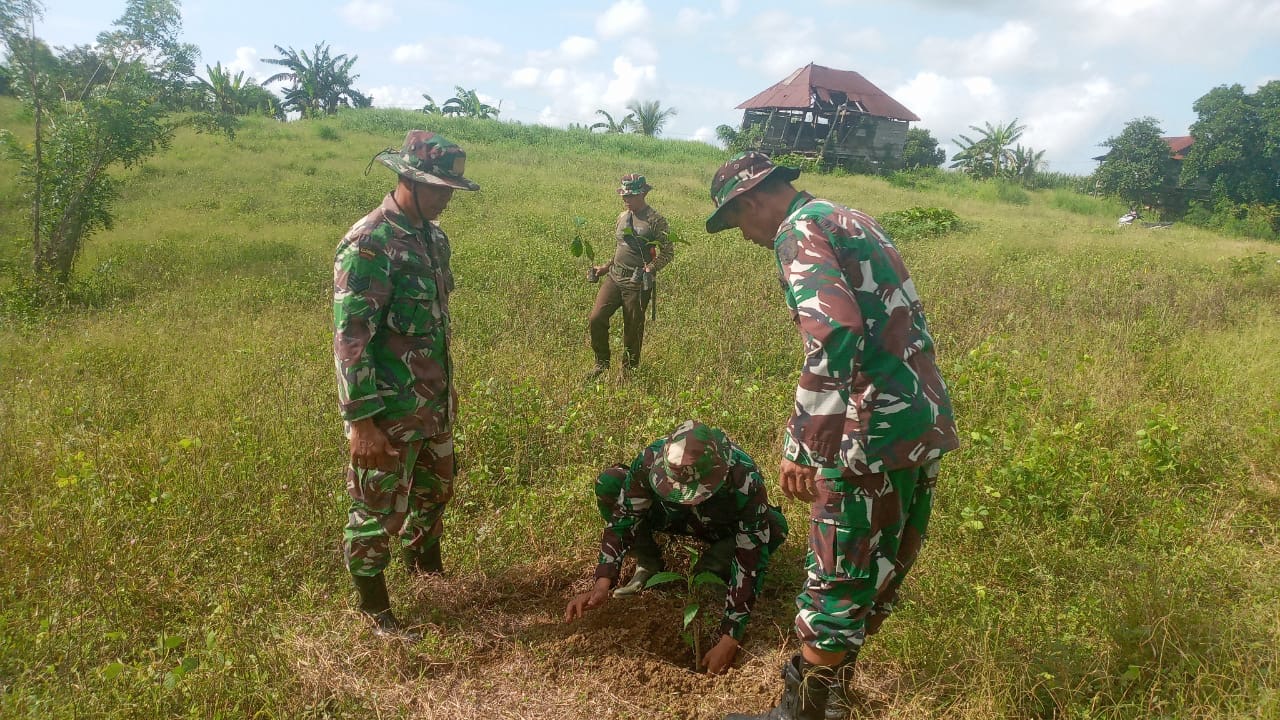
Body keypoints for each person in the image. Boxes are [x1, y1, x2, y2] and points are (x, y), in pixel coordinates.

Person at [704, 152, 959, 720]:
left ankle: (805, 714)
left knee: (837, 577)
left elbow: (836, 330)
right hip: (916, 423)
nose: (744, 236)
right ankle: (832, 701)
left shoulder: (797, 232)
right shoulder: (851, 218)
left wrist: (805, 441)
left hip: (866, 434)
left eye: (736, 222)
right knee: (878, 566)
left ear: (750, 201)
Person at [332, 130, 479, 638]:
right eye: (438, 188)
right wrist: (362, 423)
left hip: (431, 400)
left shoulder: (434, 239)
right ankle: (375, 610)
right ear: (407, 179)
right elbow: (352, 340)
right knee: (376, 508)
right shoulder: (369, 244)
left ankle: (426, 569)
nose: (446, 198)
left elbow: (435, 322)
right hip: (388, 410)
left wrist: (446, 386)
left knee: (437, 489)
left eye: (451, 189)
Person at [564, 420, 789, 674]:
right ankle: (649, 563)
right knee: (611, 482)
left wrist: (730, 638)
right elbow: (624, 518)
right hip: (670, 517)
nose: (686, 495)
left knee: (773, 525)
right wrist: (602, 582)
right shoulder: (650, 460)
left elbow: (751, 555)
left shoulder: (744, 476)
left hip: (720, 526)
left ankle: (710, 570)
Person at [586, 173, 674, 377]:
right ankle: (601, 363)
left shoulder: (655, 220)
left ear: (643, 193)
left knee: (632, 328)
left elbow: (668, 252)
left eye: (630, 195)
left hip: (636, 282)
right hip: (615, 277)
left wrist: (651, 268)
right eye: (623, 195)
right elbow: (620, 248)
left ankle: (628, 372)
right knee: (596, 318)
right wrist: (605, 268)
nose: (625, 199)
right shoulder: (622, 217)